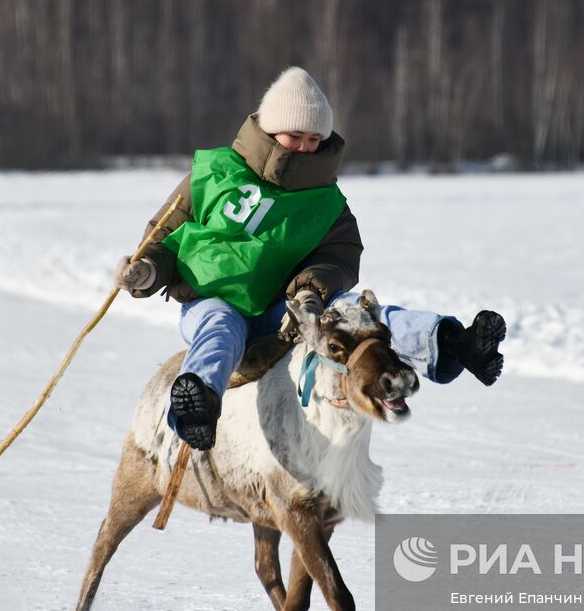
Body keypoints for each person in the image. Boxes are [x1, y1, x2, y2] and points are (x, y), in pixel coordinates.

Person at [114, 67, 504, 451]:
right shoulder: (214, 173)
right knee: (220, 329)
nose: (304, 147)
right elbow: (164, 235)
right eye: (295, 136)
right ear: (269, 131)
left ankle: (452, 343)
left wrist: (310, 292)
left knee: (353, 313)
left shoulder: (327, 201)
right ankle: (196, 406)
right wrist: (146, 270)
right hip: (212, 300)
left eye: (314, 139)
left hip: (283, 310)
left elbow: (340, 255)